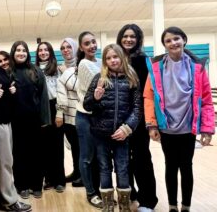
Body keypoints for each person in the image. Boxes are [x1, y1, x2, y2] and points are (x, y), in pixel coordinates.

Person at [144, 26, 215, 212]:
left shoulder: (198, 68)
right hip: (166, 127)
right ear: (165, 45)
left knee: (186, 167)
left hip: (187, 128)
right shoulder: (155, 67)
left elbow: (206, 100)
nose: (173, 43)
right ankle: (172, 206)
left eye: (176, 39)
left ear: (184, 39)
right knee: (170, 166)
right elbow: (149, 98)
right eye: (168, 41)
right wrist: (151, 124)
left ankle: (186, 206)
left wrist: (207, 129)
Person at [84, 44, 142, 212]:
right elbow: (87, 106)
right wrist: (95, 98)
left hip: (122, 134)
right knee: (104, 167)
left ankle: (124, 206)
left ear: (121, 57)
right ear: (104, 61)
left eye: (115, 57)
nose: (112, 60)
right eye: (108, 58)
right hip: (101, 134)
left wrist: (127, 128)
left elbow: (137, 109)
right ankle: (108, 206)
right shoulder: (99, 78)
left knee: (123, 168)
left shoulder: (131, 77)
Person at [0, 39, 32, 212]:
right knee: (4, 162)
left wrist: (12, 93)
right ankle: (10, 200)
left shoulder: (0, 71)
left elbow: (7, 98)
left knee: (5, 161)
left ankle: (2, 197)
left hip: (5, 120)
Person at [116, 24, 158, 211]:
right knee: (123, 159)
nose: (128, 40)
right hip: (119, 119)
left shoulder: (142, 60)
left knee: (141, 159)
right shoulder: (116, 59)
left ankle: (148, 200)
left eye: (133, 36)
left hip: (138, 119)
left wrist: (147, 120)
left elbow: (145, 93)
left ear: (138, 39)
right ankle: (130, 194)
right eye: (125, 36)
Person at [9, 41, 51, 199]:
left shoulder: (36, 71)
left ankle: (36, 185)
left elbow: (43, 96)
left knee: (36, 154)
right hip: (16, 120)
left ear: (28, 53)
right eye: (18, 50)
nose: (21, 53)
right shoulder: (8, 72)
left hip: (34, 120)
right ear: (13, 52)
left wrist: (45, 119)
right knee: (19, 154)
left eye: (23, 50)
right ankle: (22, 186)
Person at [75, 31, 103, 209]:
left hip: (99, 116)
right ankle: (91, 193)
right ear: (81, 47)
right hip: (85, 116)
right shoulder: (84, 64)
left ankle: (100, 191)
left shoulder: (100, 62)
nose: (92, 45)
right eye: (87, 43)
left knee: (100, 157)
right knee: (87, 157)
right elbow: (102, 84)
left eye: (93, 42)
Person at [35, 41, 66, 193]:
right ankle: (48, 180)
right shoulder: (33, 70)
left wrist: (60, 112)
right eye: (40, 50)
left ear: (50, 52)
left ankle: (59, 180)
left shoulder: (58, 68)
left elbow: (61, 92)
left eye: (46, 50)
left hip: (55, 108)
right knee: (43, 147)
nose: (43, 53)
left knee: (57, 147)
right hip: (41, 109)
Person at [55, 38, 83, 187]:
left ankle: (84, 176)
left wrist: (66, 73)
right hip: (66, 114)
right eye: (63, 48)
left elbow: (80, 88)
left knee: (81, 147)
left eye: (69, 47)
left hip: (79, 113)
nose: (66, 50)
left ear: (75, 48)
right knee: (73, 146)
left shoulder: (81, 65)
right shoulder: (60, 67)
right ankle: (76, 172)